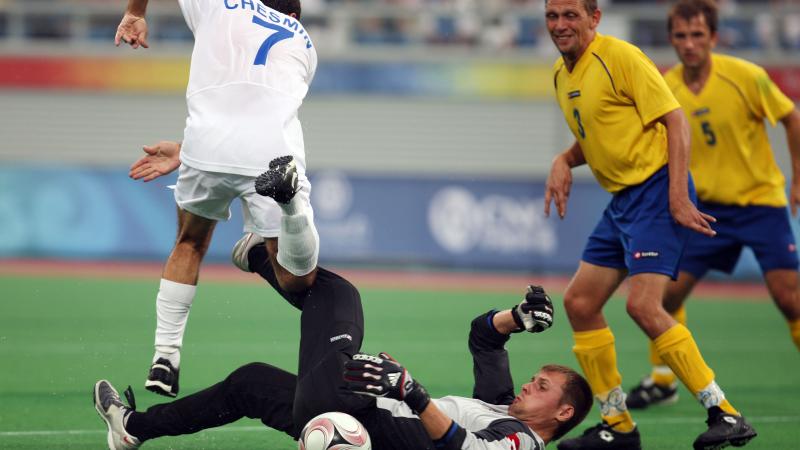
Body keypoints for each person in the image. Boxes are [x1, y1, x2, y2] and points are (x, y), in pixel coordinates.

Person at [93, 243, 594, 450]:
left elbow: (459, 448)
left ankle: (266, 250)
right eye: (536, 378)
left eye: (543, 386)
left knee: (341, 295)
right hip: (349, 407)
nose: (531, 384)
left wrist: (413, 393)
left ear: (564, 412)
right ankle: (130, 429)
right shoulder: (502, 405)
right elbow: (484, 338)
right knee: (249, 382)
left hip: (358, 417)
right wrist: (517, 319)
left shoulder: (522, 442)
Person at [541, 1, 756, 449]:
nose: (560, 25)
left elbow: (675, 120)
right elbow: (598, 135)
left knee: (642, 305)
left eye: (570, 15)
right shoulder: (563, 76)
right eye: (552, 15)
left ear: (593, 18)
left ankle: (725, 412)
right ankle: (618, 426)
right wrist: (564, 158)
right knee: (580, 302)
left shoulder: (619, 56)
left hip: (656, 191)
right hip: (623, 201)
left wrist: (678, 195)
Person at [116, 0, 320, 398]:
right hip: (271, 154)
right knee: (298, 279)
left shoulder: (218, 5)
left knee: (189, 243)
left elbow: (230, 87)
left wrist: (136, 12)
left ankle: (165, 357)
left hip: (204, 147)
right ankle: (283, 211)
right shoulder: (304, 40)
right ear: (294, 15)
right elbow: (256, 99)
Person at [626, 0, 800, 410]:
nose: (689, 44)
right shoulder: (666, 86)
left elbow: (792, 117)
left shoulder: (746, 76)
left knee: (790, 300)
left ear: (714, 37)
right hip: (705, 212)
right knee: (662, 298)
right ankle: (663, 381)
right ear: (671, 39)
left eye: (698, 35)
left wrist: (798, 177)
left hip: (760, 205)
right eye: (681, 36)